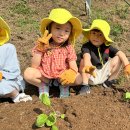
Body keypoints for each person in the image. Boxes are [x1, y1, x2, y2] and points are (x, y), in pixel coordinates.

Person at [24, 8, 83, 98]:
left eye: (66, 31)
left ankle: (64, 85)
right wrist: (40, 50)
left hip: (61, 76)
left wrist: (71, 73)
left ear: (70, 33)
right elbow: (34, 66)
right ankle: (43, 86)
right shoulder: (43, 44)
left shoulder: (68, 47)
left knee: (79, 79)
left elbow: (73, 66)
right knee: (28, 73)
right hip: (45, 76)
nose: (62, 33)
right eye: (58, 28)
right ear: (49, 28)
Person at [79, 19, 130, 94]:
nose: (96, 37)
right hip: (91, 74)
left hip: (103, 73)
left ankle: (109, 82)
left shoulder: (107, 47)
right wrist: (87, 65)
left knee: (118, 57)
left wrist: (127, 64)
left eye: (100, 35)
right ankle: (85, 85)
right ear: (89, 34)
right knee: (83, 61)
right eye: (94, 33)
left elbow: (120, 53)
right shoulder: (86, 46)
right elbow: (86, 56)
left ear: (105, 38)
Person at [0, 17, 32, 103]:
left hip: (7, 81)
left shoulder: (7, 48)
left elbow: (13, 72)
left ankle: (15, 95)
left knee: (3, 85)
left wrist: (1, 75)